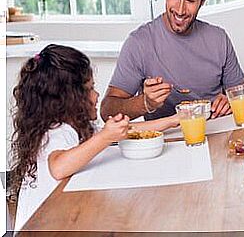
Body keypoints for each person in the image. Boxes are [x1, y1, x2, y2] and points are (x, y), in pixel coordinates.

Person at [9, 44, 179, 230]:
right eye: (90, 89)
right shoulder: (56, 131)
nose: (97, 95)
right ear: (69, 98)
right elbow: (58, 167)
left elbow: (129, 129)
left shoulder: (79, 125)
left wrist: (174, 120)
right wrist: (106, 137)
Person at [101, 0, 244, 122]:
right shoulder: (139, 43)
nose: (180, 9)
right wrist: (144, 102)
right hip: (167, 142)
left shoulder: (219, 39)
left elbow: (243, 94)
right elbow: (107, 111)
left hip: (216, 134)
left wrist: (230, 100)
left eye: (190, 0)